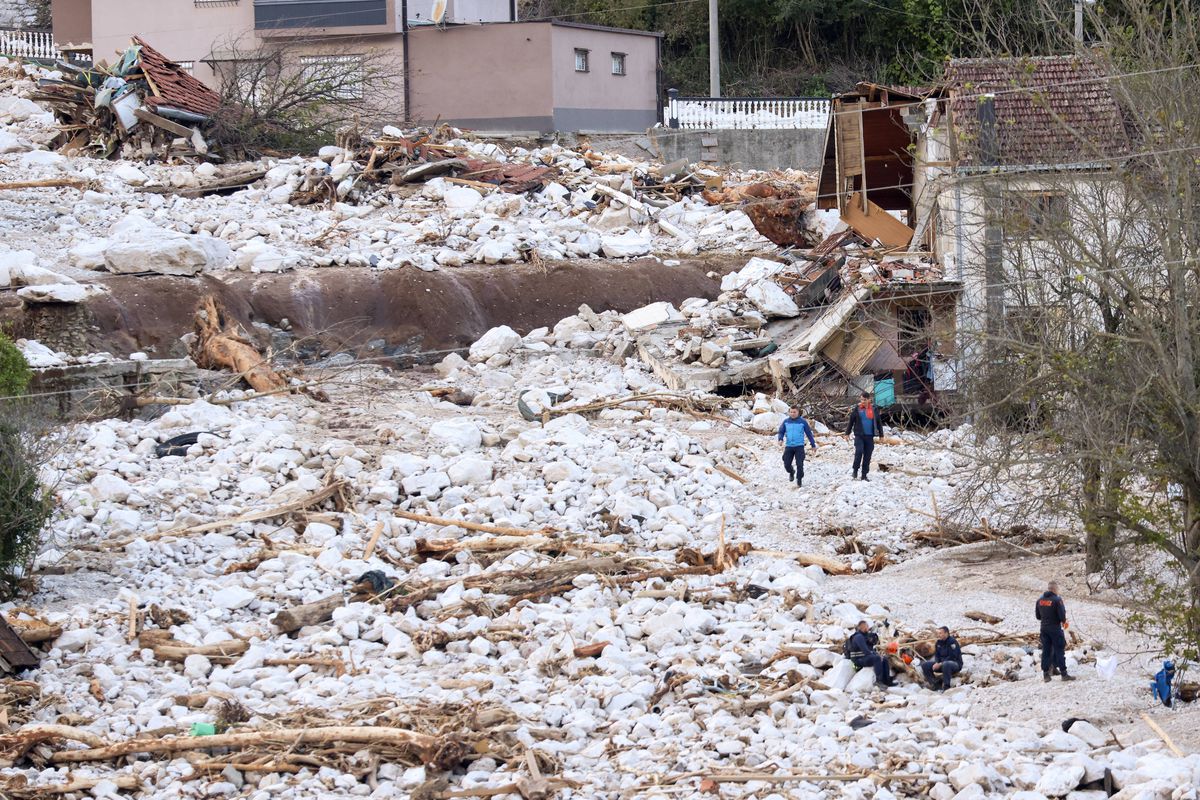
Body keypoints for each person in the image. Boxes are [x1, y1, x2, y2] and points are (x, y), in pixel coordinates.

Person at [1036, 580, 1075, 682]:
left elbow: (1038, 616)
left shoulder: (1039, 600)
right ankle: (1064, 674)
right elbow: (1062, 617)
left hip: (1044, 628)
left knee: (1046, 651)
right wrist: (1063, 622)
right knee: (1059, 650)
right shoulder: (1057, 600)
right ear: (1054, 589)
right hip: (1055, 628)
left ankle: (1046, 674)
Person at [845, 392, 883, 481]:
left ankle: (864, 475)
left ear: (869, 400)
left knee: (867, 455)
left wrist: (881, 435)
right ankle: (855, 470)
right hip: (859, 435)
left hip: (869, 436)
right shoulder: (857, 409)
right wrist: (847, 433)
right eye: (861, 399)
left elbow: (878, 422)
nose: (863, 401)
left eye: (864, 400)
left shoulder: (874, 409)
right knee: (859, 451)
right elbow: (851, 421)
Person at [776, 406, 817, 487]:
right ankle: (791, 472)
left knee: (800, 464)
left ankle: (799, 479)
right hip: (789, 446)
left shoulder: (803, 422)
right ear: (789, 412)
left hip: (799, 446)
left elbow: (809, 434)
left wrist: (813, 444)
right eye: (791, 412)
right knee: (786, 464)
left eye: (794, 412)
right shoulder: (786, 421)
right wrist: (780, 439)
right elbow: (781, 431)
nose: (792, 414)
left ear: (798, 412)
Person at [847, 620, 895, 687]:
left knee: (884, 659)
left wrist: (878, 655)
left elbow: (870, 650)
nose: (868, 628)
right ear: (863, 627)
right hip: (858, 659)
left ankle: (887, 681)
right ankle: (879, 681)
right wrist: (877, 656)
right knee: (877, 658)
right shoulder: (858, 637)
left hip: (863, 657)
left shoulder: (864, 636)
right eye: (867, 626)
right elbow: (866, 651)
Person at [920, 626, 962, 691]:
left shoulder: (952, 642)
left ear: (946, 633)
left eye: (940, 633)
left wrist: (940, 664)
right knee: (925, 665)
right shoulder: (938, 643)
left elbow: (953, 656)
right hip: (942, 664)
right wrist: (937, 663)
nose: (938, 635)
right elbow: (937, 655)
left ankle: (946, 687)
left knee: (946, 664)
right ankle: (935, 684)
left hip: (955, 664)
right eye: (938, 633)